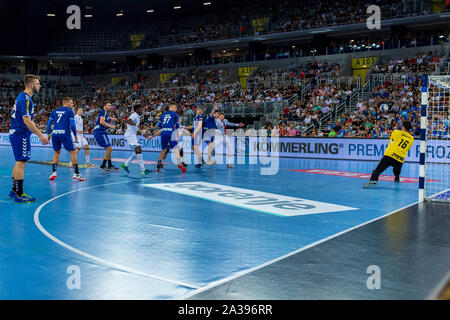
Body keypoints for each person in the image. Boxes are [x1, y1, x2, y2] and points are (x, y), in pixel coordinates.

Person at [9, 74, 50, 203]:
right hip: (21, 134)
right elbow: (26, 120)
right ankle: (19, 194)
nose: (40, 85)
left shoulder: (21, 96)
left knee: (19, 162)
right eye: (38, 83)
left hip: (15, 132)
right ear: (31, 85)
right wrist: (41, 136)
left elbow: (27, 119)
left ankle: (14, 191)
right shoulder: (26, 99)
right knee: (22, 163)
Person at [363, 121, 414, 188]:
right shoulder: (411, 138)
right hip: (400, 158)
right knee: (396, 171)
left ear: (403, 126)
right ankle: (397, 178)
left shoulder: (396, 132)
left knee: (377, 171)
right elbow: (407, 148)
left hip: (389, 155)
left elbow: (391, 141)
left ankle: (373, 181)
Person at [47, 97, 86, 181]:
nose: (72, 105)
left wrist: (47, 134)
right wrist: (75, 135)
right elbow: (72, 125)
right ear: (67, 103)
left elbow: (49, 123)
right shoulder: (70, 111)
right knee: (72, 152)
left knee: (56, 153)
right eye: (71, 103)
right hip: (65, 133)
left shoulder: (54, 111)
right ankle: (76, 173)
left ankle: (53, 172)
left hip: (55, 134)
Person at [121, 104, 151, 175]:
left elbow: (137, 129)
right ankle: (143, 170)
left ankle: (125, 164)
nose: (142, 111)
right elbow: (128, 121)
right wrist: (137, 125)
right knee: (138, 149)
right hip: (130, 135)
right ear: (137, 110)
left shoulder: (137, 117)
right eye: (141, 109)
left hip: (132, 135)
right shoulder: (134, 115)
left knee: (138, 150)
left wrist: (144, 135)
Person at [155, 103, 186, 173]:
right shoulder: (175, 114)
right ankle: (180, 163)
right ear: (171, 107)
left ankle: (157, 167)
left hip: (163, 133)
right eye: (175, 107)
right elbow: (177, 126)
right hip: (171, 133)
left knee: (163, 150)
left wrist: (164, 128)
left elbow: (159, 125)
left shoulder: (163, 114)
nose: (176, 109)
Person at [93, 101, 119, 171]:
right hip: (99, 132)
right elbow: (102, 122)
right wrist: (110, 126)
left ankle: (110, 165)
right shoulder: (103, 112)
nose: (110, 107)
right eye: (108, 105)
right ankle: (103, 165)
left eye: (110, 105)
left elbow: (104, 120)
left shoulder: (105, 113)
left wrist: (111, 119)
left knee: (109, 149)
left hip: (101, 132)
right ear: (105, 106)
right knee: (109, 149)